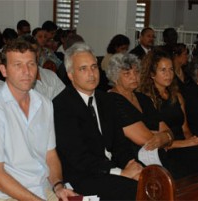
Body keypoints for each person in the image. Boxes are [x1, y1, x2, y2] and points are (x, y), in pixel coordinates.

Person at [0, 39, 75, 201]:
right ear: (4, 70)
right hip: (5, 195)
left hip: (43, 189)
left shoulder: (44, 104)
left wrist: (58, 186)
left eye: (31, 64)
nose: (26, 71)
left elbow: (50, 155)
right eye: (18, 65)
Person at [106, 52, 198, 179]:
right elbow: (146, 140)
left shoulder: (142, 98)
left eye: (136, 72)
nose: (134, 77)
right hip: (138, 159)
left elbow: (168, 131)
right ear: (115, 77)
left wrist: (164, 137)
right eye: (127, 74)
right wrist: (165, 138)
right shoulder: (113, 100)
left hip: (162, 153)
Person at [53, 42, 142, 200]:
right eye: (83, 69)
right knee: (134, 190)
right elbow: (78, 158)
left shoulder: (106, 99)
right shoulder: (62, 106)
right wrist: (122, 173)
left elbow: (119, 142)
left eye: (94, 67)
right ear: (70, 75)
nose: (91, 74)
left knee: (154, 177)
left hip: (112, 168)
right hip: (82, 175)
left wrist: (130, 164)